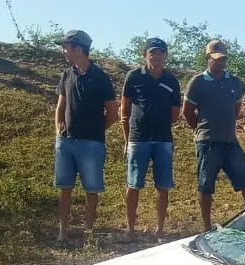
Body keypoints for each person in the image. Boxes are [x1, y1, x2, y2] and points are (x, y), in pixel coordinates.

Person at [53, 30, 117, 243]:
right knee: (65, 188)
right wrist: (58, 132)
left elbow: (113, 113)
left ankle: (88, 232)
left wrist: (97, 132)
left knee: (92, 189)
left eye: (66, 47)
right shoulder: (66, 74)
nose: (64, 51)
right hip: (66, 142)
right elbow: (60, 107)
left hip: (92, 143)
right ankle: (63, 232)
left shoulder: (100, 77)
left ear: (79, 49)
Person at [184, 40, 245, 231]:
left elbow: (236, 109)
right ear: (208, 58)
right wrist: (198, 130)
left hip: (230, 141)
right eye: (216, 59)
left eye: (223, 59)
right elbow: (188, 111)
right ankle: (206, 226)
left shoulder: (234, 82)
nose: (221, 62)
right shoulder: (197, 82)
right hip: (207, 142)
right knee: (206, 185)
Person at [121, 38, 181, 238]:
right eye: (152, 52)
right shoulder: (134, 76)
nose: (156, 56)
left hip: (163, 139)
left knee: (163, 186)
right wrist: (126, 139)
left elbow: (175, 114)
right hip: (138, 139)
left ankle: (160, 230)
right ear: (144, 55)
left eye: (161, 52)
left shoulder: (172, 80)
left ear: (166, 56)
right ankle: (130, 229)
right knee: (133, 184)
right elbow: (125, 109)